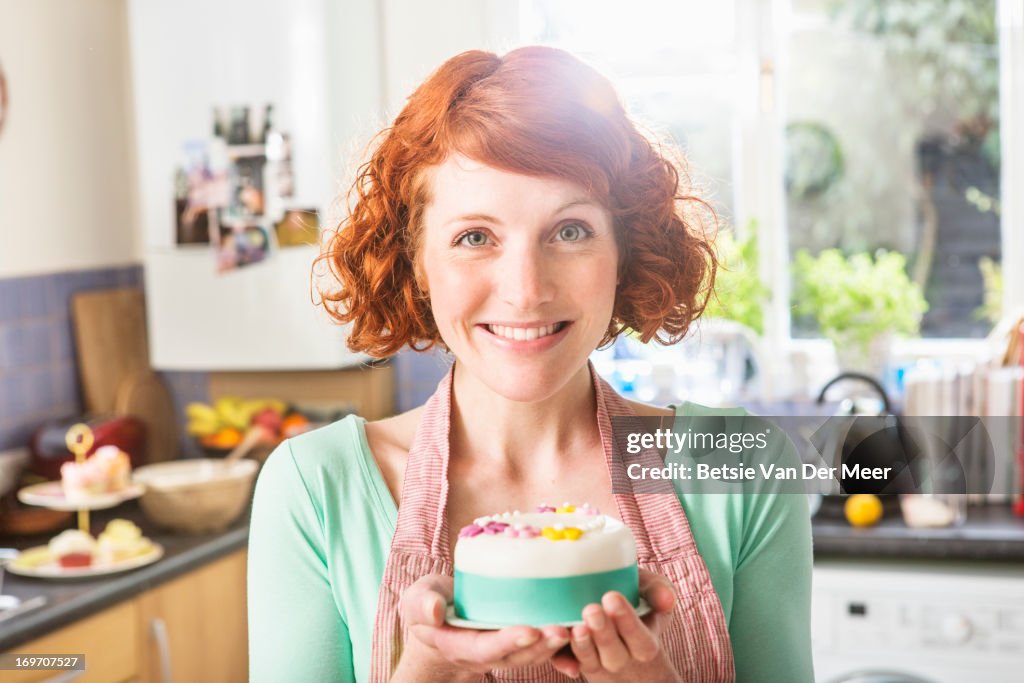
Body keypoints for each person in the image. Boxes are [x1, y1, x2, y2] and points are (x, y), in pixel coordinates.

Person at [248, 46, 813, 682]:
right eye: (474, 237)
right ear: (417, 263)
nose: (525, 289)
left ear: (624, 252)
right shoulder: (316, 489)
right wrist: (426, 671)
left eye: (569, 231)